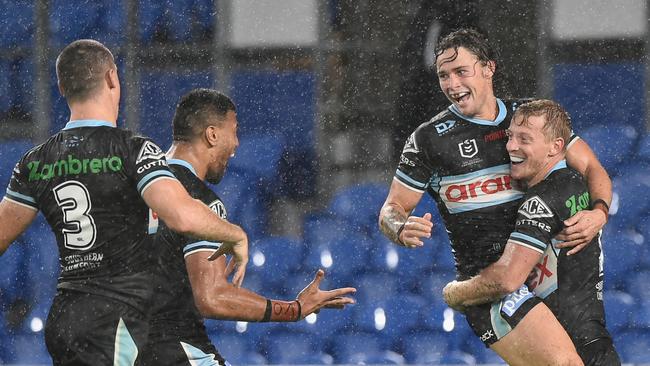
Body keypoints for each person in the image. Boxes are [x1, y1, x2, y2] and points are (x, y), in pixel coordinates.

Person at [0, 40, 249, 365]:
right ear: (112, 79)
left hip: (66, 319)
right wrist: (234, 234)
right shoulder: (133, 150)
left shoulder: (35, 161)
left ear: (61, 87)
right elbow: (182, 215)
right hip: (116, 318)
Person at [378, 28, 612, 364]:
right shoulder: (428, 140)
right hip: (491, 288)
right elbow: (392, 208)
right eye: (444, 75)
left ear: (489, 68)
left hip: (548, 276)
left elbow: (591, 168)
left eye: (461, 71)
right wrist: (399, 226)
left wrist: (600, 212)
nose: (452, 84)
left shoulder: (530, 120)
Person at [139, 89, 357, 366]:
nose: (237, 144)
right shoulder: (200, 201)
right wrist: (295, 309)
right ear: (212, 134)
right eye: (234, 131)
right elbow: (211, 297)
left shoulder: (134, 186)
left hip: (116, 345)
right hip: (171, 349)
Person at [442, 100, 620, 364]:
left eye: (524, 139)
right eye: (510, 136)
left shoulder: (542, 200)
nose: (511, 146)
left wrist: (457, 293)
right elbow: (593, 168)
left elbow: (506, 280)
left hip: (571, 351)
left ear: (556, 147)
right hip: (594, 345)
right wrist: (600, 212)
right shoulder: (574, 182)